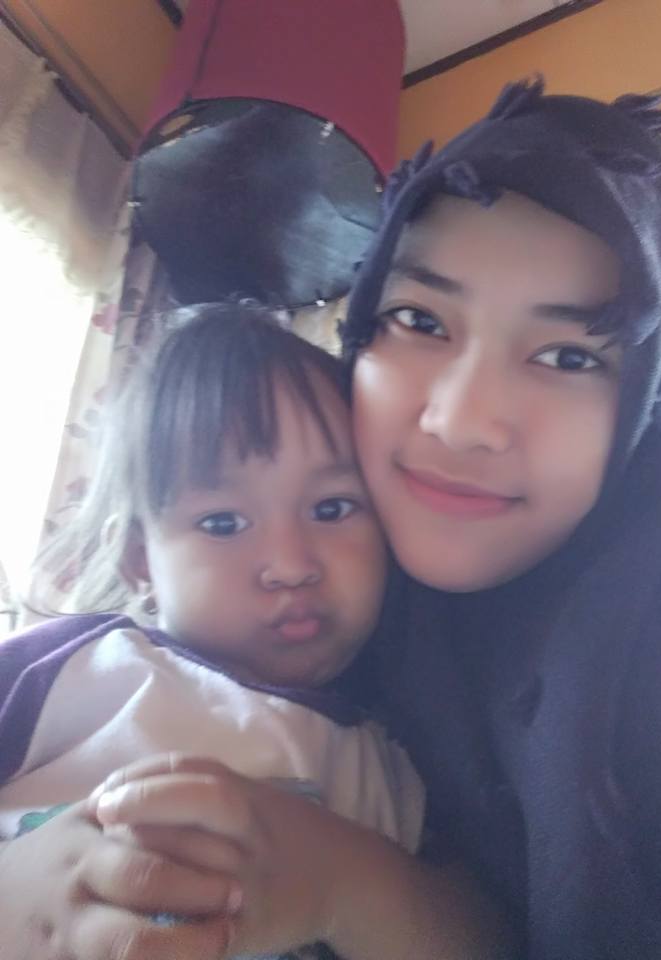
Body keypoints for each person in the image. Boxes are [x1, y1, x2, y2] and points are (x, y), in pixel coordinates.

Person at [4, 77, 661, 958]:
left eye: (571, 355)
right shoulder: (101, 667)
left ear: (658, 404)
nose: (460, 421)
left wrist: (345, 879)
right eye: (417, 318)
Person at [0, 305, 508, 960]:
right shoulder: (77, 668)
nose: (292, 565)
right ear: (139, 560)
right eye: (223, 523)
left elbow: (482, 937)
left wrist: (345, 878)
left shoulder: (397, 759)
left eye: (332, 508)